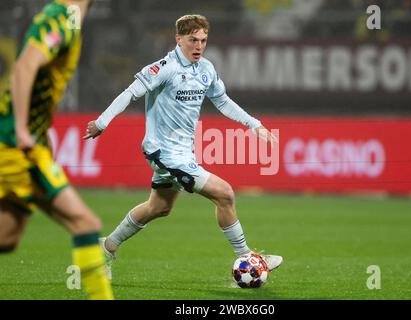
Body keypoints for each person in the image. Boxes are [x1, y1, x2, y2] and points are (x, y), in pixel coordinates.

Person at [83, 14, 283, 280]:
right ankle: (247, 256)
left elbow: (222, 101)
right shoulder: (163, 68)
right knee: (224, 194)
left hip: (182, 153)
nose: (198, 46)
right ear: (179, 39)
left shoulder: (206, 70)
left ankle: (105, 247)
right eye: (193, 40)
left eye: (203, 40)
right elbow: (130, 93)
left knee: (158, 208)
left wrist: (254, 124)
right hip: (163, 152)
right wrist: (102, 122)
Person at [0, 0, 113, 300]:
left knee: (7, 239)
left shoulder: (72, 21)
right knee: (85, 223)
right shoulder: (61, 16)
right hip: (13, 145)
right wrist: (23, 130)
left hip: (27, 145)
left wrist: (38, 136)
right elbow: (25, 66)